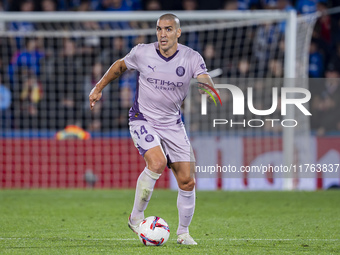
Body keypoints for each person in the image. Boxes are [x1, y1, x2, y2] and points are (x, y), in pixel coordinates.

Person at [89, 13, 217, 245]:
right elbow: (119, 66)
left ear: (178, 32)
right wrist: (98, 88)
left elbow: (204, 78)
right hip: (142, 118)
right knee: (157, 163)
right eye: (159, 29)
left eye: (168, 29)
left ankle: (183, 233)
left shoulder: (191, 57)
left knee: (187, 181)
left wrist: (206, 88)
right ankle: (136, 217)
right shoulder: (142, 52)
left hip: (173, 124)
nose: (162, 34)